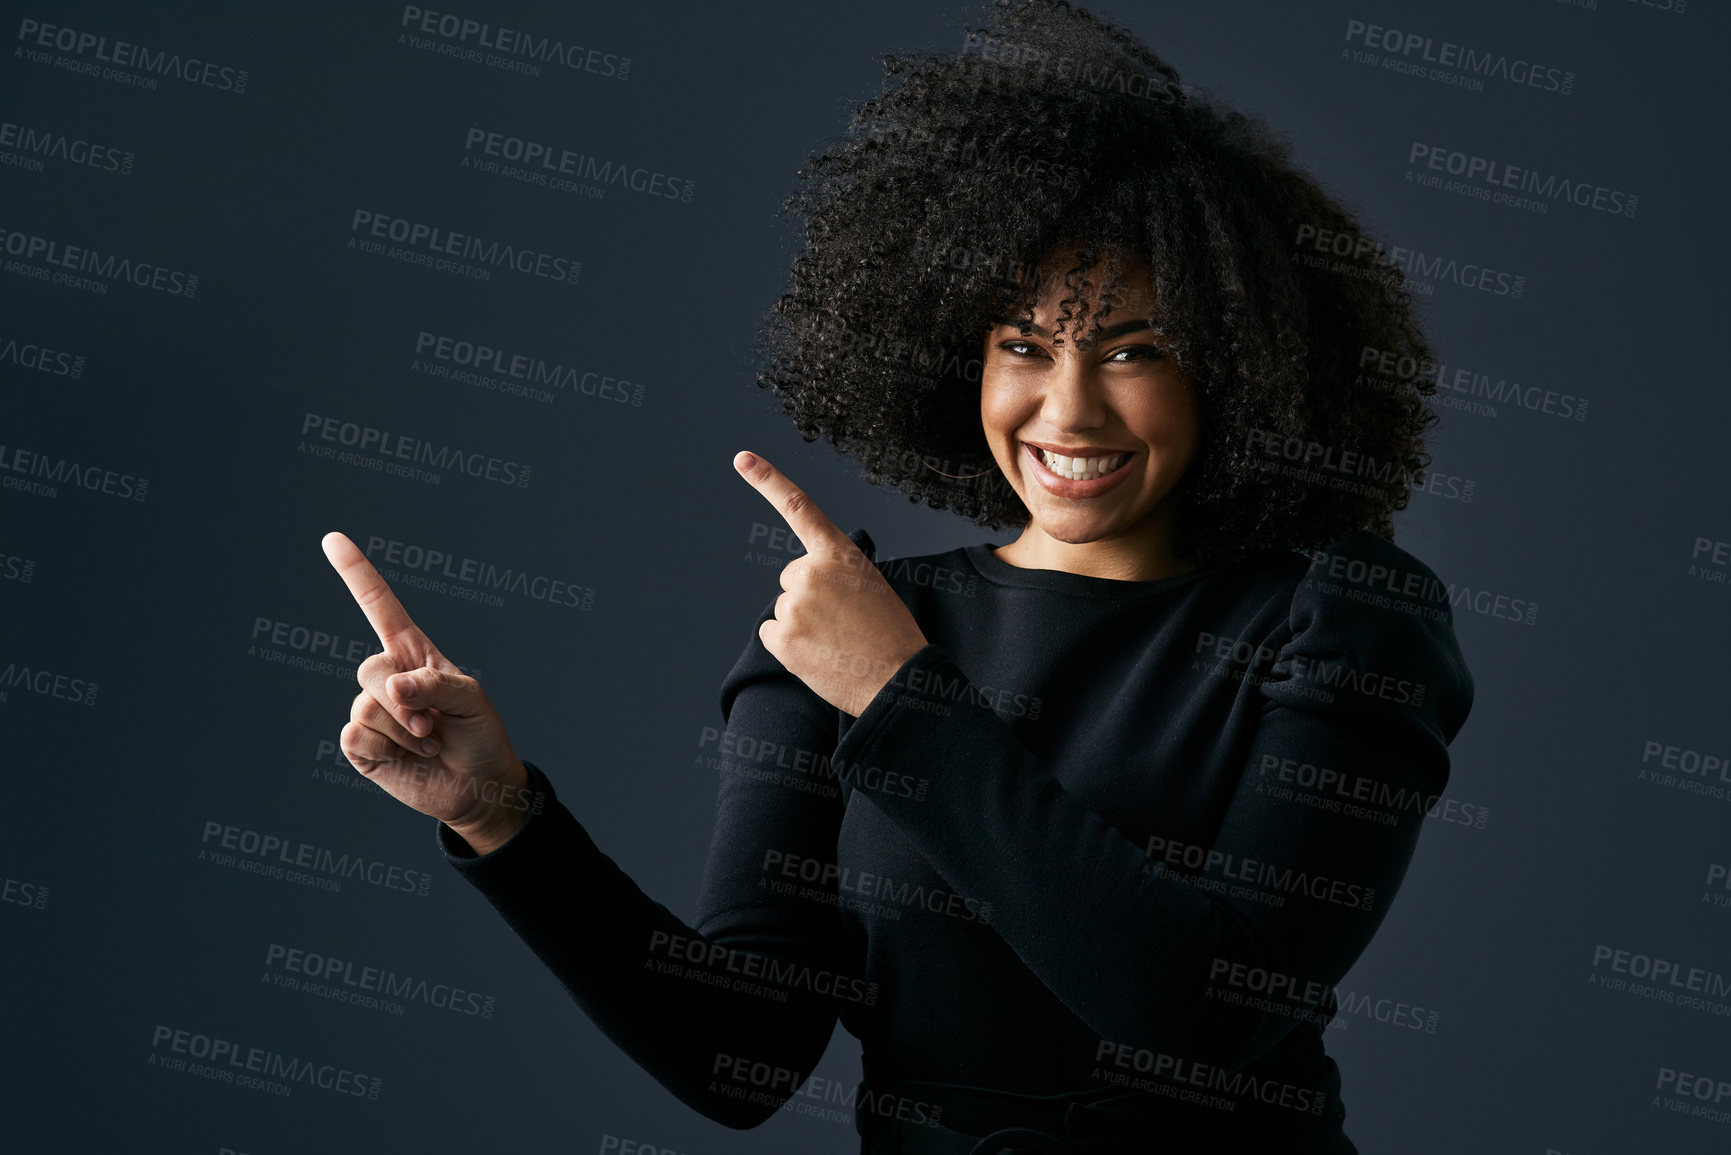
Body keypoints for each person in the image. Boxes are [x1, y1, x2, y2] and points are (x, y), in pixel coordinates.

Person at [321, 2, 1475, 1151]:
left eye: (1134, 351)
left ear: (1243, 370)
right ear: (953, 354)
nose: (1065, 409)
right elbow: (740, 1057)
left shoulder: (1345, 622)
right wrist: (500, 815)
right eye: (1023, 344)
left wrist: (898, 697)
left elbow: (1198, 1011)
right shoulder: (857, 619)